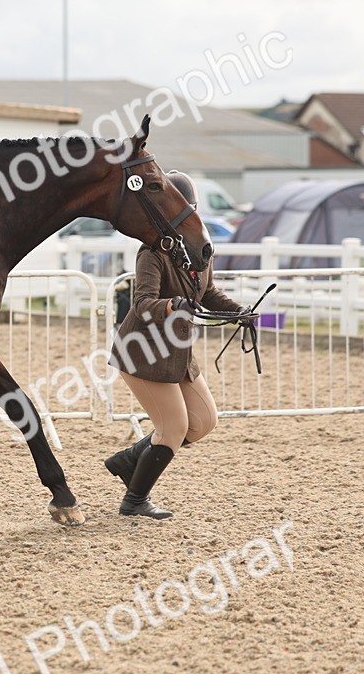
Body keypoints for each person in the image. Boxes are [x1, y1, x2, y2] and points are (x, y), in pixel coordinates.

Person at [105, 171, 249, 520]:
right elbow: (142, 304)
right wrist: (173, 305)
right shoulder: (151, 253)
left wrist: (239, 312)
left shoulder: (199, 252)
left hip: (179, 353)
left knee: (203, 422)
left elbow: (209, 293)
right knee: (173, 429)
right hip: (144, 352)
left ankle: (129, 460)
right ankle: (135, 501)